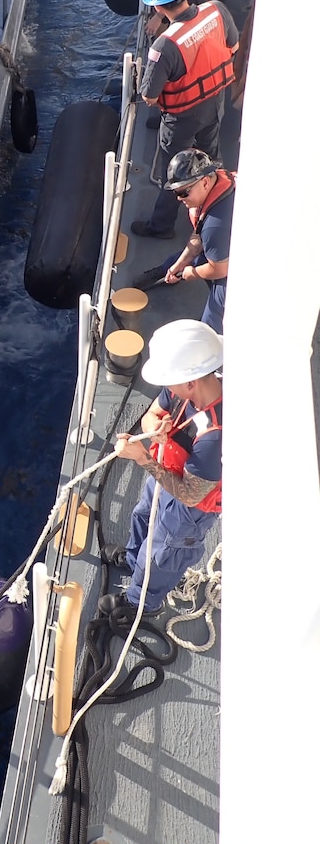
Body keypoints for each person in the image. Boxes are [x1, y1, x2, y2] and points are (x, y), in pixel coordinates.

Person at [99, 319, 223, 617]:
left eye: (170, 381)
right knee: (143, 515)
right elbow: (153, 412)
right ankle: (132, 559)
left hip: (189, 508)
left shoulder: (216, 436)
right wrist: (154, 429)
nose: (166, 387)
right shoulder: (188, 384)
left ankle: (141, 604)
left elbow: (191, 495)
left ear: (191, 383)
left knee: (162, 554)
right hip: (165, 470)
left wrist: (143, 459)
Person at [131, 0, 238, 240]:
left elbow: (149, 96)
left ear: (158, 7)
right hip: (215, 103)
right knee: (211, 157)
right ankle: (220, 207)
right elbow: (233, 46)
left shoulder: (164, 46)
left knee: (174, 171)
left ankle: (162, 226)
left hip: (181, 118)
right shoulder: (216, 10)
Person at [133, 149, 234, 333]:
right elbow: (198, 236)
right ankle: (166, 271)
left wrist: (192, 273)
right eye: (176, 193)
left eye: (184, 192)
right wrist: (180, 265)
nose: (180, 199)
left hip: (240, 267)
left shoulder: (216, 226)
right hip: (222, 247)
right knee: (179, 261)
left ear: (204, 182)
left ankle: (210, 339)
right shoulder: (217, 181)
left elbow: (220, 269)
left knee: (215, 316)